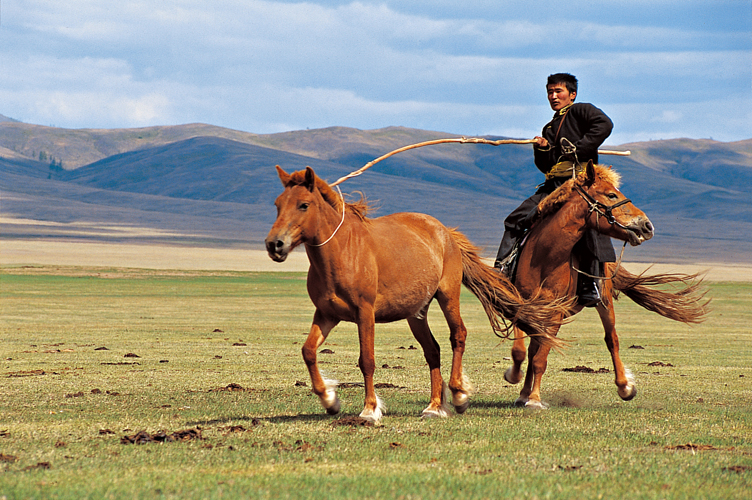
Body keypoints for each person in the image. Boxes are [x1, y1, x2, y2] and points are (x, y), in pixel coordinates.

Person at [494, 73, 615, 307]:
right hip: (554, 186)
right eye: (549, 92)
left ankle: (590, 282)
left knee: (588, 225)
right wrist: (541, 149)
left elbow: (605, 125)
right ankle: (501, 270)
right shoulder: (550, 128)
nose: (553, 96)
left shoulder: (581, 111)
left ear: (572, 94)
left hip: (580, 184)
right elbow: (546, 166)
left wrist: (579, 149)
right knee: (517, 219)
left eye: (558, 91)